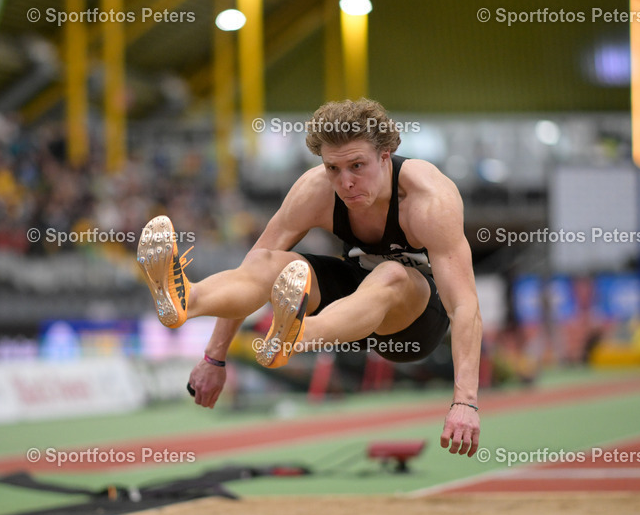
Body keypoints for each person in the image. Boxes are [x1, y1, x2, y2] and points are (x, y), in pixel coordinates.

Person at [137, 98, 482, 457]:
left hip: (416, 320)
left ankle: (296, 336)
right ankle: (186, 301)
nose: (345, 182)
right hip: (350, 305)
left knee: (392, 273)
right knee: (273, 262)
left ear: (386, 156)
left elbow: (464, 304)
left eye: (357, 166)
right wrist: (214, 358)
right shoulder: (316, 190)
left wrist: (465, 402)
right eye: (333, 168)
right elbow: (254, 268)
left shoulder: (429, 199)